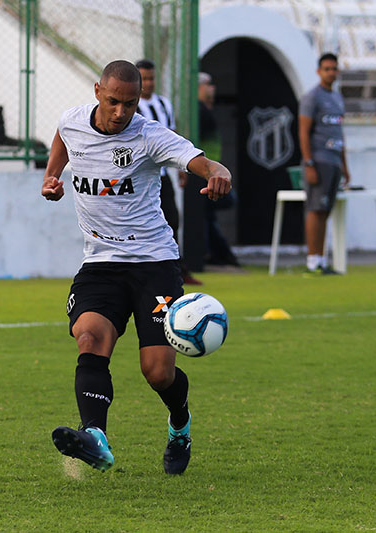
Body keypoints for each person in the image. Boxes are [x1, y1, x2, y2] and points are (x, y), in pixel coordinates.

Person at [41, 60, 232, 475]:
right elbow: (61, 137)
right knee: (90, 337)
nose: (119, 112)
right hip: (101, 264)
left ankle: (179, 424)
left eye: (129, 104)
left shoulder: (149, 136)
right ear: (97, 92)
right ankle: (95, 437)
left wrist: (218, 171)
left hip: (155, 265)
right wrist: (52, 177)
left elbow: (199, 160)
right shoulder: (73, 121)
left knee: (158, 372)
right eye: (112, 102)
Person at [135, 59, 202, 285]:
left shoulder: (163, 104)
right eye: (144, 78)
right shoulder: (131, 106)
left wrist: (181, 168)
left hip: (163, 176)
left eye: (152, 78)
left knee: (172, 219)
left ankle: (176, 267)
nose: (149, 83)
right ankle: (145, 268)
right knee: (142, 222)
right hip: (140, 177)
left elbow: (172, 135)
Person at [298, 52, 351, 275]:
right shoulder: (312, 97)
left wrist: (345, 166)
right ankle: (312, 260)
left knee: (326, 210)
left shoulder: (337, 98)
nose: (331, 72)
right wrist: (309, 163)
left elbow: (339, 133)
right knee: (315, 209)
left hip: (334, 161)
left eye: (334, 68)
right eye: (327, 68)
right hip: (318, 160)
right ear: (319, 71)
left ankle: (321, 259)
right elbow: (303, 131)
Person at [198, 72, 239, 267]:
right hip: (202, 173)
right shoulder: (198, 111)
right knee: (207, 214)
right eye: (208, 84)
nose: (212, 88)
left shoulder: (205, 110)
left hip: (211, 172)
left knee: (209, 215)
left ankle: (219, 254)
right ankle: (212, 254)